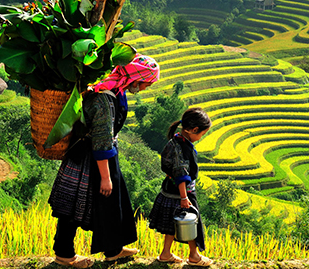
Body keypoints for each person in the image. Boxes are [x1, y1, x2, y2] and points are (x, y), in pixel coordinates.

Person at [48, 55, 160, 268]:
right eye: (147, 82)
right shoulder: (103, 98)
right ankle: (64, 254)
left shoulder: (117, 91)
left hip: (105, 154)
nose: (146, 87)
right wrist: (106, 177)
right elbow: (101, 139)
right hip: (89, 156)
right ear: (137, 77)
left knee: (112, 203)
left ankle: (114, 249)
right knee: (72, 205)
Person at [148, 107, 213, 267]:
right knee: (191, 222)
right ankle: (194, 256)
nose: (200, 137)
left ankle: (165, 254)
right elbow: (180, 174)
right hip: (182, 193)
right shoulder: (181, 148)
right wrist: (184, 197)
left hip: (169, 190)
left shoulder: (176, 140)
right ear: (194, 130)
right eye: (201, 134)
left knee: (172, 224)